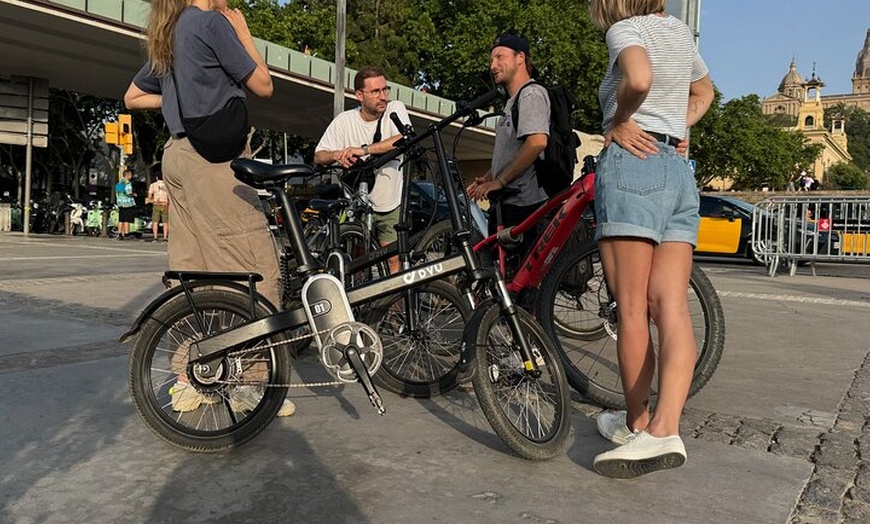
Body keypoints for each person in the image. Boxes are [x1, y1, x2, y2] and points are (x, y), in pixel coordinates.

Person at [123, 0, 294, 417]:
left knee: (194, 271)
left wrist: (173, 103)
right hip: (214, 163)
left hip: (176, 157)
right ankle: (248, 383)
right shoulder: (212, 23)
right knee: (255, 268)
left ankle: (189, 376)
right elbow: (264, 85)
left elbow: (132, 97)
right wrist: (245, 35)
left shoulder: (168, 29)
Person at [588, 0, 714, 478]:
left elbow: (638, 79)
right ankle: (666, 426)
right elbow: (703, 91)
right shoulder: (681, 34)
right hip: (678, 173)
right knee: (672, 308)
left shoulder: (627, 30)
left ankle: (641, 424)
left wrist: (620, 118)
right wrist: (679, 125)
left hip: (633, 166)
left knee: (633, 307)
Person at [314, 66, 411, 275]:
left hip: (389, 202)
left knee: (393, 259)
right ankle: (359, 305)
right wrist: (339, 155)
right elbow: (319, 155)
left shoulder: (395, 109)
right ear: (359, 95)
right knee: (357, 260)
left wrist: (363, 150)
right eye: (376, 92)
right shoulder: (344, 120)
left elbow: (403, 139)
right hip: (355, 202)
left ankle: (397, 308)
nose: (383, 96)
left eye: (385, 90)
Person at [466, 34, 549, 264]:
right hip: (507, 206)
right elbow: (512, 153)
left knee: (521, 284)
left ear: (520, 58)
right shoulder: (512, 102)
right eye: (491, 60)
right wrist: (488, 178)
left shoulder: (531, 94)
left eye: (499, 57)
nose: (492, 66)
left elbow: (537, 142)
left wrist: (500, 182)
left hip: (524, 208)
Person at [147, 169, 170, 241]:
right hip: (165, 204)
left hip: (156, 203)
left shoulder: (153, 185)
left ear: (157, 177)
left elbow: (150, 195)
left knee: (155, 221)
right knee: (165, 222)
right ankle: (165, 237)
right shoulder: (167, 185)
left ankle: (155, 237)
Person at [115, 169, 137, 240]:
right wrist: (134, 194)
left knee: (121, 219)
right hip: (127, 203)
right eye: (130, 175)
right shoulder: (128, 183)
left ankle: (119, 233)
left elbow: (118, 193)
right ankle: (126, 233)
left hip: (121, 203)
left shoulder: (119, 183)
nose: (131, 176)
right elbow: (128, 193)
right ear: (127, 175)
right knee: (127, 219)